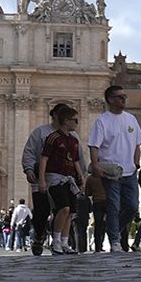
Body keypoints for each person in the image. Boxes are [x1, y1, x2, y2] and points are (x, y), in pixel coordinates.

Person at [88, 84, 141, 252]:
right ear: (110, 100)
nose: (124, 100)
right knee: (114, 206)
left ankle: (112, 230)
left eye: (124, 97)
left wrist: (136, 161)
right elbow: (94, 146)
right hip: (111, 172)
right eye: (120, 97)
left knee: (133, 206)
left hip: (130, 171)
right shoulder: (102, 120)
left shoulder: (131, 119)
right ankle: (114, 241)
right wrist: (96, 164)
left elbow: (137, 143)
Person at [21, 103, 73, 256]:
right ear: (56, 115)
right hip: (41, 179)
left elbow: (77, 158)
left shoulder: (72, 136)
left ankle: (59, 241)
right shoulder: (40, 132)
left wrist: (80, 176)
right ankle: (39, 235)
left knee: (63, 210)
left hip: (63, 180)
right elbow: (29, 152)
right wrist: (29, 169)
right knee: (41, 212)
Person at [35, 105, 88, 255]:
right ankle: (56, 241)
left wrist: (81, 179)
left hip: (70, 178)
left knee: (70, 212)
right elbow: (44, 159)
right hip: (55, 177)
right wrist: (42, 180)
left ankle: (64, 242)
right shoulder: (53, 138)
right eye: (75, 120)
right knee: (63, 208)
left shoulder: (74, 140)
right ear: (66, 121)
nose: (77, 123)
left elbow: (76, 161)